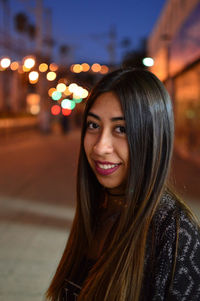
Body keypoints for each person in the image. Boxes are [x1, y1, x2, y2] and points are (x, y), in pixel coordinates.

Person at [46, 68, 200, 301]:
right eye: (94, 125)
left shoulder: (175, 232)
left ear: (152, 136)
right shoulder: (102, 207)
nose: (100, 147)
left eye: (121, 129)